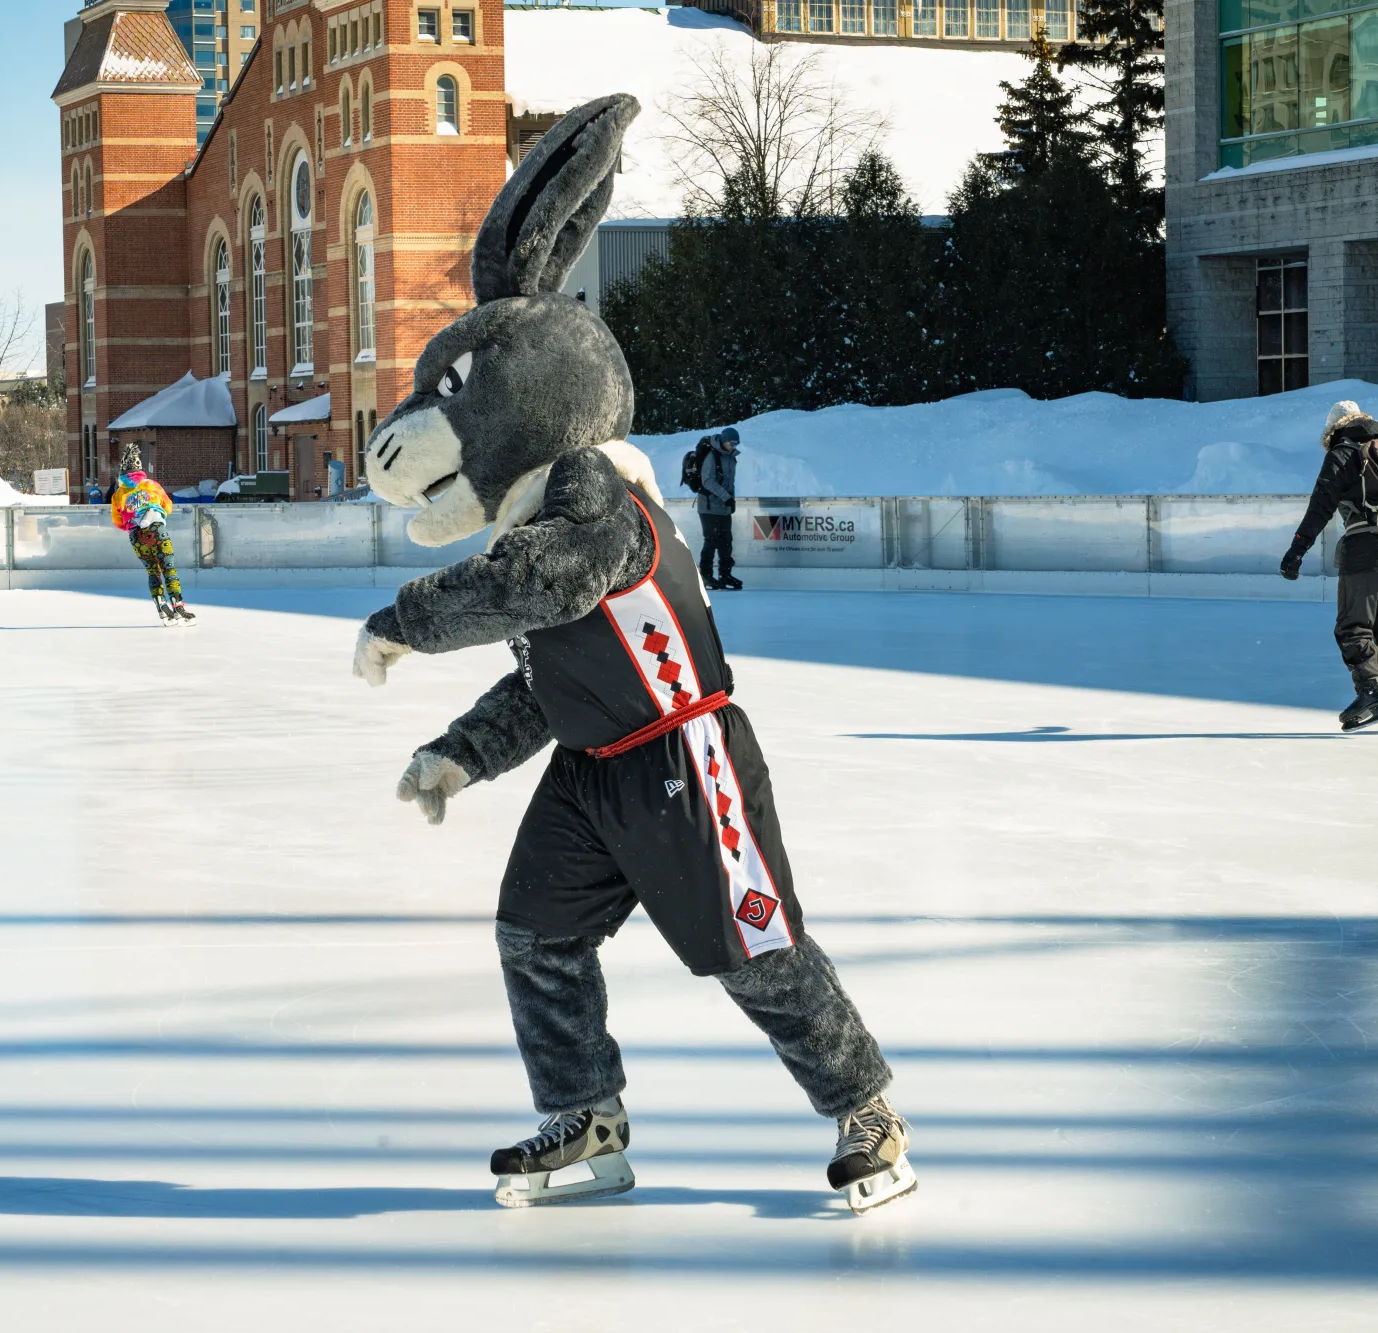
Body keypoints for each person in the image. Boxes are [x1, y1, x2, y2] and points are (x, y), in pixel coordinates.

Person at [350, 94, 910, 1214]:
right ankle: (585, 1120)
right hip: (592, 772)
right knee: (536, 934)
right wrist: (457, 754)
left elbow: (541, 581)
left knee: (755, 953)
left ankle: (866, 1113)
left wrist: (408, 618)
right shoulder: (526, 515)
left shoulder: (592, 488)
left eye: (454, 394)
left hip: (682, 762)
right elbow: (545, 682)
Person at [1280, 400, 1378, 733]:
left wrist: (1296, 550)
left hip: (1364, 552)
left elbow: (1321, 505)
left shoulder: (1343, 453)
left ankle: (1371, 694)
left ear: (1334, 430)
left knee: (1354, 627)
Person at [110, 445, 195, 625]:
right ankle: (177, 605)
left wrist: (133, 524)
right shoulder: (152, 486)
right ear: (141, 471)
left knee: (152, 570)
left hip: (136, 536)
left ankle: (161, 605)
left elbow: (118, 522)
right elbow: (167, 506)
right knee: (168, 567)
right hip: (157, 530)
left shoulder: (118, 494)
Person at [696, 426, 742, 590]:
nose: (734, 446)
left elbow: (730, 482)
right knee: (711, 540)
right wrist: (726, 497)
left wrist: (731, 501)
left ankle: (725, 574)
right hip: (708, 507)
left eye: (737, 443)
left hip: (724, 507)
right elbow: (707, 481)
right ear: (724, 441)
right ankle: (706, 575)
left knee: (726, 542)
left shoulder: (731, 457)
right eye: (732, 442)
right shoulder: (712, 456)